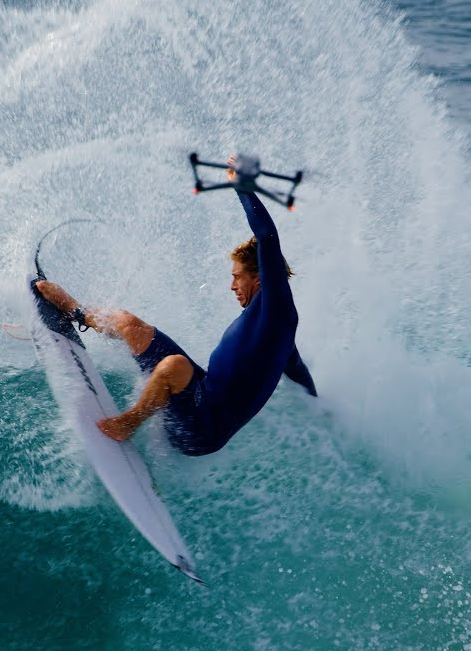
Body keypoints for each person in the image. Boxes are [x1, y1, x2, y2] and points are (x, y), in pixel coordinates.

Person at [34, 184, 316, 456]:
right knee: (128, 323)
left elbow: (266, 235)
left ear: (259, 278)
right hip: (198, 393)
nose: (232, 286)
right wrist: (318, 405)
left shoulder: (275, 307)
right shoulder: (278, 332)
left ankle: (125, 426)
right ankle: (74, 312)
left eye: (236, 277)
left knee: (174, 366)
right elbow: (297, 369)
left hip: (203, 431)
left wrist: (242, 187)